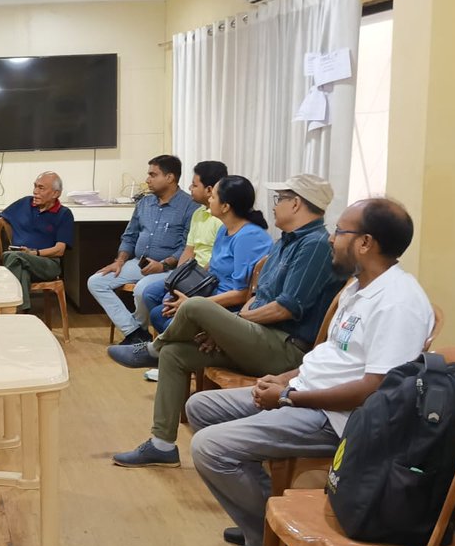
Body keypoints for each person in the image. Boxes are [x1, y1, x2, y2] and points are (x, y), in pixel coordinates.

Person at [186, 198, 435, 546]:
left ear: (365, 243)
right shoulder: (357, 288)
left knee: (209, 447)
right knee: (201, 407)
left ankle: (270, 545)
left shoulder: (398, 303)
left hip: (338, 417)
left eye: (340, 232)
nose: (332, 239)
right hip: (305, 393)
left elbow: (378, 389)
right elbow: (332, 355)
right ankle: (264, 518)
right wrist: (284, 379)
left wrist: (289, 396)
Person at [111, 174, 344, 468]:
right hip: (257, 338)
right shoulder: (285, 242)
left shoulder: (314, 245)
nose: (274, 206)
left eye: (280, 199)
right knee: (175, 354)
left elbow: (285, 309)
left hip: (284, 348)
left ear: (296, 204)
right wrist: (228, 329)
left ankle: (152, 349)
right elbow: (255, 294)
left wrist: (236, 320)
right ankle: (162, 445)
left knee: (195, 306)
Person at [87, 155, 200, 344]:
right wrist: (120, 261)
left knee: (141, 289)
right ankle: (135, 332)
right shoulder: (144, 203)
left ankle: (136, 332)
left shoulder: (190, 206)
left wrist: (164, 265)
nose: (147, 179)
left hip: (170, 268)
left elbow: (186, 246)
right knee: (96, 282)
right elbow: (129, 236)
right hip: (137, 263)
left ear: (170, 178)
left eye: (152, 175)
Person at [140, 175, 272, 335]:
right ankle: (164, 352)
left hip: (228, 305)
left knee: (165, 318)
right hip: (211, 291)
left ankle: (166, 352)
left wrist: (192, 303)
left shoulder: (249, 237)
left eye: (214, 197)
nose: (209, 200)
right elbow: (212, 265)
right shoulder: (224, 229)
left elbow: (242, 293)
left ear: (225, 207)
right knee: (159, 310)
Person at [137, 160, 228, 341]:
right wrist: (176, 279)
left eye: (194, 185)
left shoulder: (222, 219)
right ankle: (167, 342)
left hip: (206, 279)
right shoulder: (199, 213)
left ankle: (172, 343)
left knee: (162, 303)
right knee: (150, 293)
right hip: (190, 274)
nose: (189, 188)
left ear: (210, 190)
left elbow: (216, 260)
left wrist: (187, 285)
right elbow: (188, 251)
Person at [0, 172, 75, 313]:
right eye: (35, 186)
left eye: (41, 188)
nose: (35, 191)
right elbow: (0, 216)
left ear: (55, 193)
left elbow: (59, 250)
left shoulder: (64, 214)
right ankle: (19, 312)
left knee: (11, 256)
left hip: (47, 263)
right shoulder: (25, 203)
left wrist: (33, 253)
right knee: (20, 268)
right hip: (19, 263)